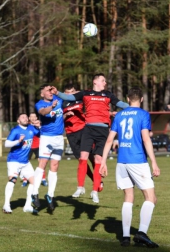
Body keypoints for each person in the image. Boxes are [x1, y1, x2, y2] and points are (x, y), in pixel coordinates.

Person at [51, 73, 129, 203]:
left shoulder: (108, 95)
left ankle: (95, 190)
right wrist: (57, 92)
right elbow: (68, 97)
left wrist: (132, 104)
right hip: (88, 129)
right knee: (83, 157)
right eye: (103, 81)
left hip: (103, 130)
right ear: (95, 81)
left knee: (98, 159)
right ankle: (80, 187)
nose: (105, 83)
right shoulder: (85, 93)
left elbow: (122, 104)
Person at [99, 87, 160, 248]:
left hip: (122, 162)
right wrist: (153, 161)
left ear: (127, 99)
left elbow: (109, 140)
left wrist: (103, 162)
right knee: (151, 198)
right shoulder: (143, 114)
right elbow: (146, 140)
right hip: (137, 160)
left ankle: (125, 237)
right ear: (141, 99)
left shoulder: (119, 115)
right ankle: (141, 233)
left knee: (128, 197)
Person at [62, 84, 104, 197]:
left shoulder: (81, 100)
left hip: (84, 130)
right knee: (81, 160)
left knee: (91, 156)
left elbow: (92, 110)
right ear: (65, 93)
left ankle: (98, 180)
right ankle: (93, 180)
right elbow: (57, 119)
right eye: (68, 92)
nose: (70, 94)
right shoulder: (62, 104)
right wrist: (65, 115)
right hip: (70, 134)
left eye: (72, 91)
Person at [31, 84, 64, 212]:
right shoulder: (40, 104)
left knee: (55, 166)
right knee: (43, 163)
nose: (50, 92)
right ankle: (35, 192)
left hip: (59, 138)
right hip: (47, 137)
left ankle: (50, 195)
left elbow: (70, 98)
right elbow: (43, 112)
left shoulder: (59, 99)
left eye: (51, 90)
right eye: (47, 90)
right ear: (42, 94)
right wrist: (52, 107)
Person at [2, 113, 40, 214]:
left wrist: (39, 126)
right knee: (12, 181)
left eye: (26, 117)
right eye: (22, 117)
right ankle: (6, 205)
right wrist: (18, 141)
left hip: (25, 162)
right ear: (18, 121)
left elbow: (40, 134)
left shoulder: (31, 128)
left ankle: (27, 206)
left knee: (34, 182)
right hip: (14, 160)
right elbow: (6, 144)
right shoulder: (16, 130)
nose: (25, 118)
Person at [28, 112, 48, 187]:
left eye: (34, 117)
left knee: (41, 163)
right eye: (31, 117)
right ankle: (25, 180)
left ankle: (43, 179)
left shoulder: (40, 125)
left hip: (38, 146)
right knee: (25, 163)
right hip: (28, 147)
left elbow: (43, 133)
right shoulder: (27, 126)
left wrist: (39, 127)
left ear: (36, 118)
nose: (33, 118)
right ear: (29, 118)